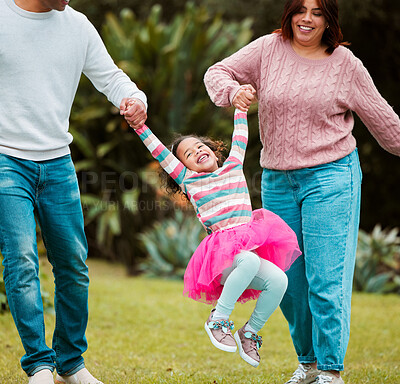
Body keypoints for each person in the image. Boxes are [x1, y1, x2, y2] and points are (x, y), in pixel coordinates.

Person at [203, 0, 400, 383]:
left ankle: (329, 371)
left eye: (317, 12)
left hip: (331, 178)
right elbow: (217, 72)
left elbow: (389, 128)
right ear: (290, 13)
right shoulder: (268, 49)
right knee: (289, 284)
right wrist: (233, 91)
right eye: (301, 10)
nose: (307, 19)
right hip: (277, 180)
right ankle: (307, 364)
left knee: (326, 280)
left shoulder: (346, 65)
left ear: (329, 19)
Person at [0, 0, 147, 383]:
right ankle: (39, 365)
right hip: (6, 160)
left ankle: (70, 363)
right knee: (22, 262)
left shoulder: (77, 26)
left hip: (57, 162)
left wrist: (134, 100)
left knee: (74, 266)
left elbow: (112, 78)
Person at [126, 105, 301, 368]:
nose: (197, 151)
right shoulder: (189, 180)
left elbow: (241, 135)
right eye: (188, 153)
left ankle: (249, 332)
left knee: (278, 280)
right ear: (182, 166)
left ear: (213, 150)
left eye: (199, 146)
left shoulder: (233, 165)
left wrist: (241, 107)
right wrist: (139, 127)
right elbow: (159, 152)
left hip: (245, 257)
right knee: (249, 262)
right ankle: (218, 319)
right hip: (221, 260)